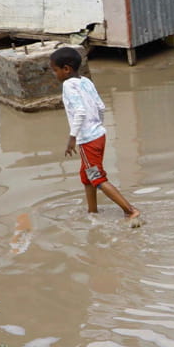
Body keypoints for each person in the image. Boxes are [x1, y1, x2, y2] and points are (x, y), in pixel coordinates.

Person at [50, 47, 141, 227]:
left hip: (88, 140)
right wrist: (97, 125)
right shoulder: (86, 81)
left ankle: (130, 210)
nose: (55, 74)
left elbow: (80, 112)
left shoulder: (68, 85)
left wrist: (72, 137)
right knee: (87, 175)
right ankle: (92, 212)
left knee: (96, 177)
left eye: (55, 70)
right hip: (99, 135)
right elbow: (100, 106)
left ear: (66, 69)